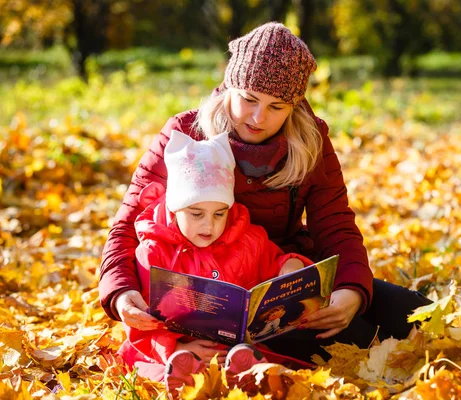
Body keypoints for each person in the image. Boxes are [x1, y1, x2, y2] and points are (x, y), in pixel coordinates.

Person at [99, 21, 431, 368]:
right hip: (206, 295)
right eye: (249, 100)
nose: (259, 117)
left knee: (413, 314)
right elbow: (127, 226)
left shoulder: (310, 139)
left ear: (295, 105)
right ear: (230, 87)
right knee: (362, 341)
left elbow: (336, 225)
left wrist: (351, 291)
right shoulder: (184, 134)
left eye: (277, 107)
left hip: (285, 278)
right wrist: (121, 293)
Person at [120, 129, 312, 393]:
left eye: (219, 214)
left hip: (234, 347)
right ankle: (182, 370)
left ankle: (247, 372)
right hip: (175, 348)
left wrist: (290, 265)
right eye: (196, 214)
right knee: (155, 366)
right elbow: (143, 321)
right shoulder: (154, 251)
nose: (209, 225)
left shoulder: (249, 240)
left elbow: (275, 265)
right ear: (175, 209)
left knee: (258, 361)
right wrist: (175, 347)